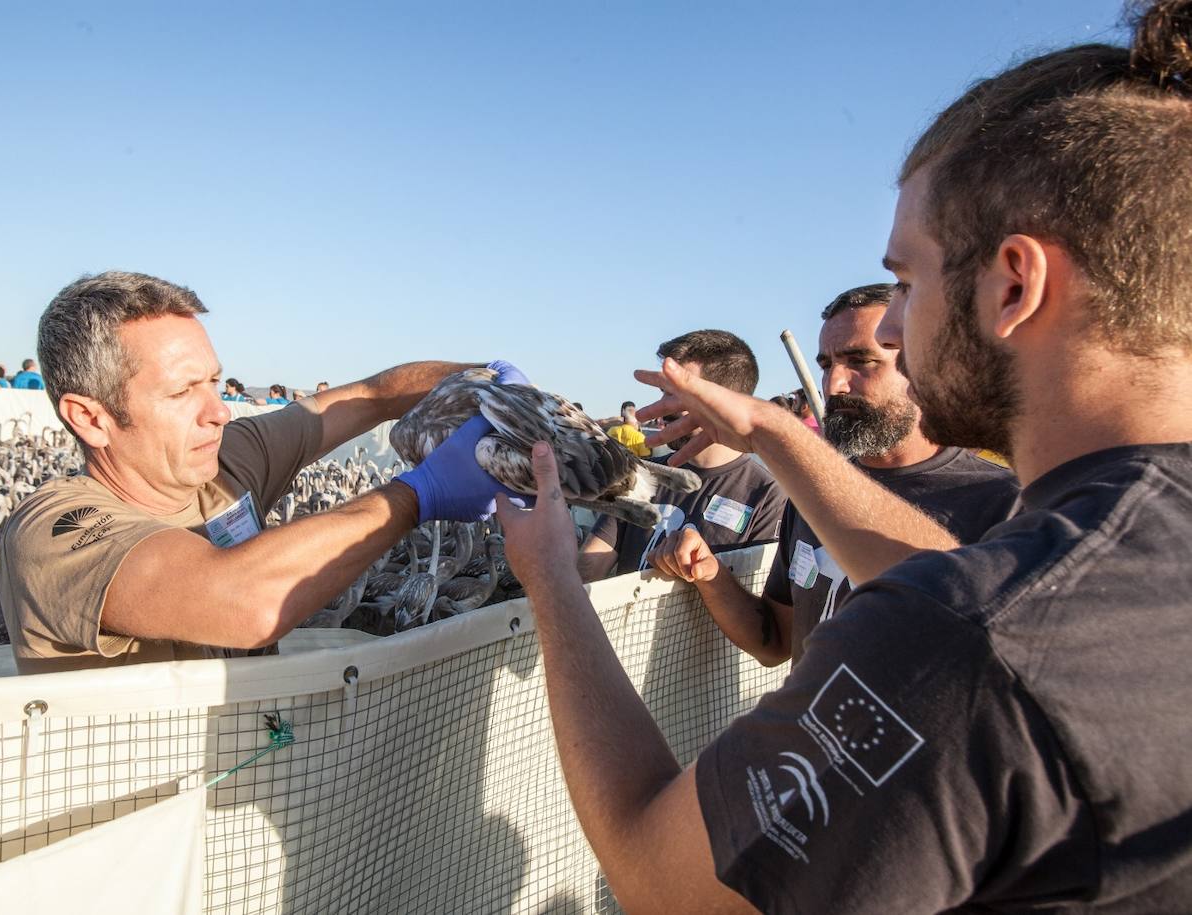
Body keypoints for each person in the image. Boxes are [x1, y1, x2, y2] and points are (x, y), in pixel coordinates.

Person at [494, 2, 1192, 910]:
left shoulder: (968, 639)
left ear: (1014, 284)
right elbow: (995, 598)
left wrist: (549, 577)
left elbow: (655, 874)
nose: (899, 324)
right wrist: (779, 434)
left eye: (908, 281)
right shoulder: (1116, 559)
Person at [0, 270, 523, 672]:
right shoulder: (53, 532)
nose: (219, 410)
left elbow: (369, 395)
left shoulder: (228, 459)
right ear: (91, 418)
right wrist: (415, 496)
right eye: (183, 392)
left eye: (213, 381)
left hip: (250, 771)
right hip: (148, 808)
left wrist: (486, 384)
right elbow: (243, 604)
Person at [647, 285, 1018, 666]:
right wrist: (710, 575)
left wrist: (772, 432)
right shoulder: (814, 491)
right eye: (826, 365)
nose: (834, 385)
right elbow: (774, 641)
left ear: (928, 365)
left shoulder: (1002, 503)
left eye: (861, 361)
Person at [579, 330, 787, 580]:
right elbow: (590, 566)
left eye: (675, 393)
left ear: (723, 400)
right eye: (663, 392)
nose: (662, 409)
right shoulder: (642, 476)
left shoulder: (767, 497)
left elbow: (760, 606)